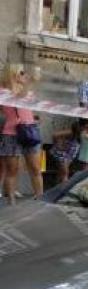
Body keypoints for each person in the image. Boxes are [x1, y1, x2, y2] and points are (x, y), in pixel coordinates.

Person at [1, 65, 44, 203]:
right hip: (11, 134)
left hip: (29, 132)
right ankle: (11, 201)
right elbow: (18, 98)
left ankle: (40, 198)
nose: (25, 75)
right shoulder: (3, 92)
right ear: (13, 74)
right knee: (12, 170)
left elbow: (27, 104)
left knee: (36, 168)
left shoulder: (28, 92)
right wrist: (30, 82)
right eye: (22, 72)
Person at [50, 119, 85, 185]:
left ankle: (57, 185)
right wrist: (58, 144)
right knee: (65, 172)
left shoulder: (81, 135)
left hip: (69, 155)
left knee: (62, 171)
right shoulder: (70, 132)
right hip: (62, 154)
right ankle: (64, 188)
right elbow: (55, 135)